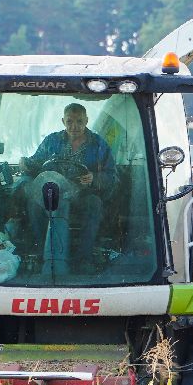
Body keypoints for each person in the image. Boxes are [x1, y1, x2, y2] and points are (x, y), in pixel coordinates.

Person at [19, 102, 118, 273]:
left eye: (79, 121)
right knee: (33, 204)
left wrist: (94, 178)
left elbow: (112, 176)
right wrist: (25, 163)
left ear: (86, 121)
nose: (74, 126)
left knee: (94, 203)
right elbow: (35, 163)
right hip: (52, 195)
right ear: (63, 121)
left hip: (82, 195)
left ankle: (84, 258)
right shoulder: (51, 141)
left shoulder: (99, 145)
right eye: (70, 121)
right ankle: (43, 253)